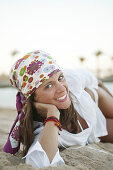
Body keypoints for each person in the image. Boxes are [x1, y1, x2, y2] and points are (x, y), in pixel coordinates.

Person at [3, 50, 113, 168]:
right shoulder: (44, 129)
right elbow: (38, 161)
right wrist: (52, 114)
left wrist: (103, 88)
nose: (62, 88)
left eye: (60, 78)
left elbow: (94, 80)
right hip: (96, 126)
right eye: (49, 86)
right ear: (33, 98)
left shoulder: (71, 79)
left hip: (98, 98)